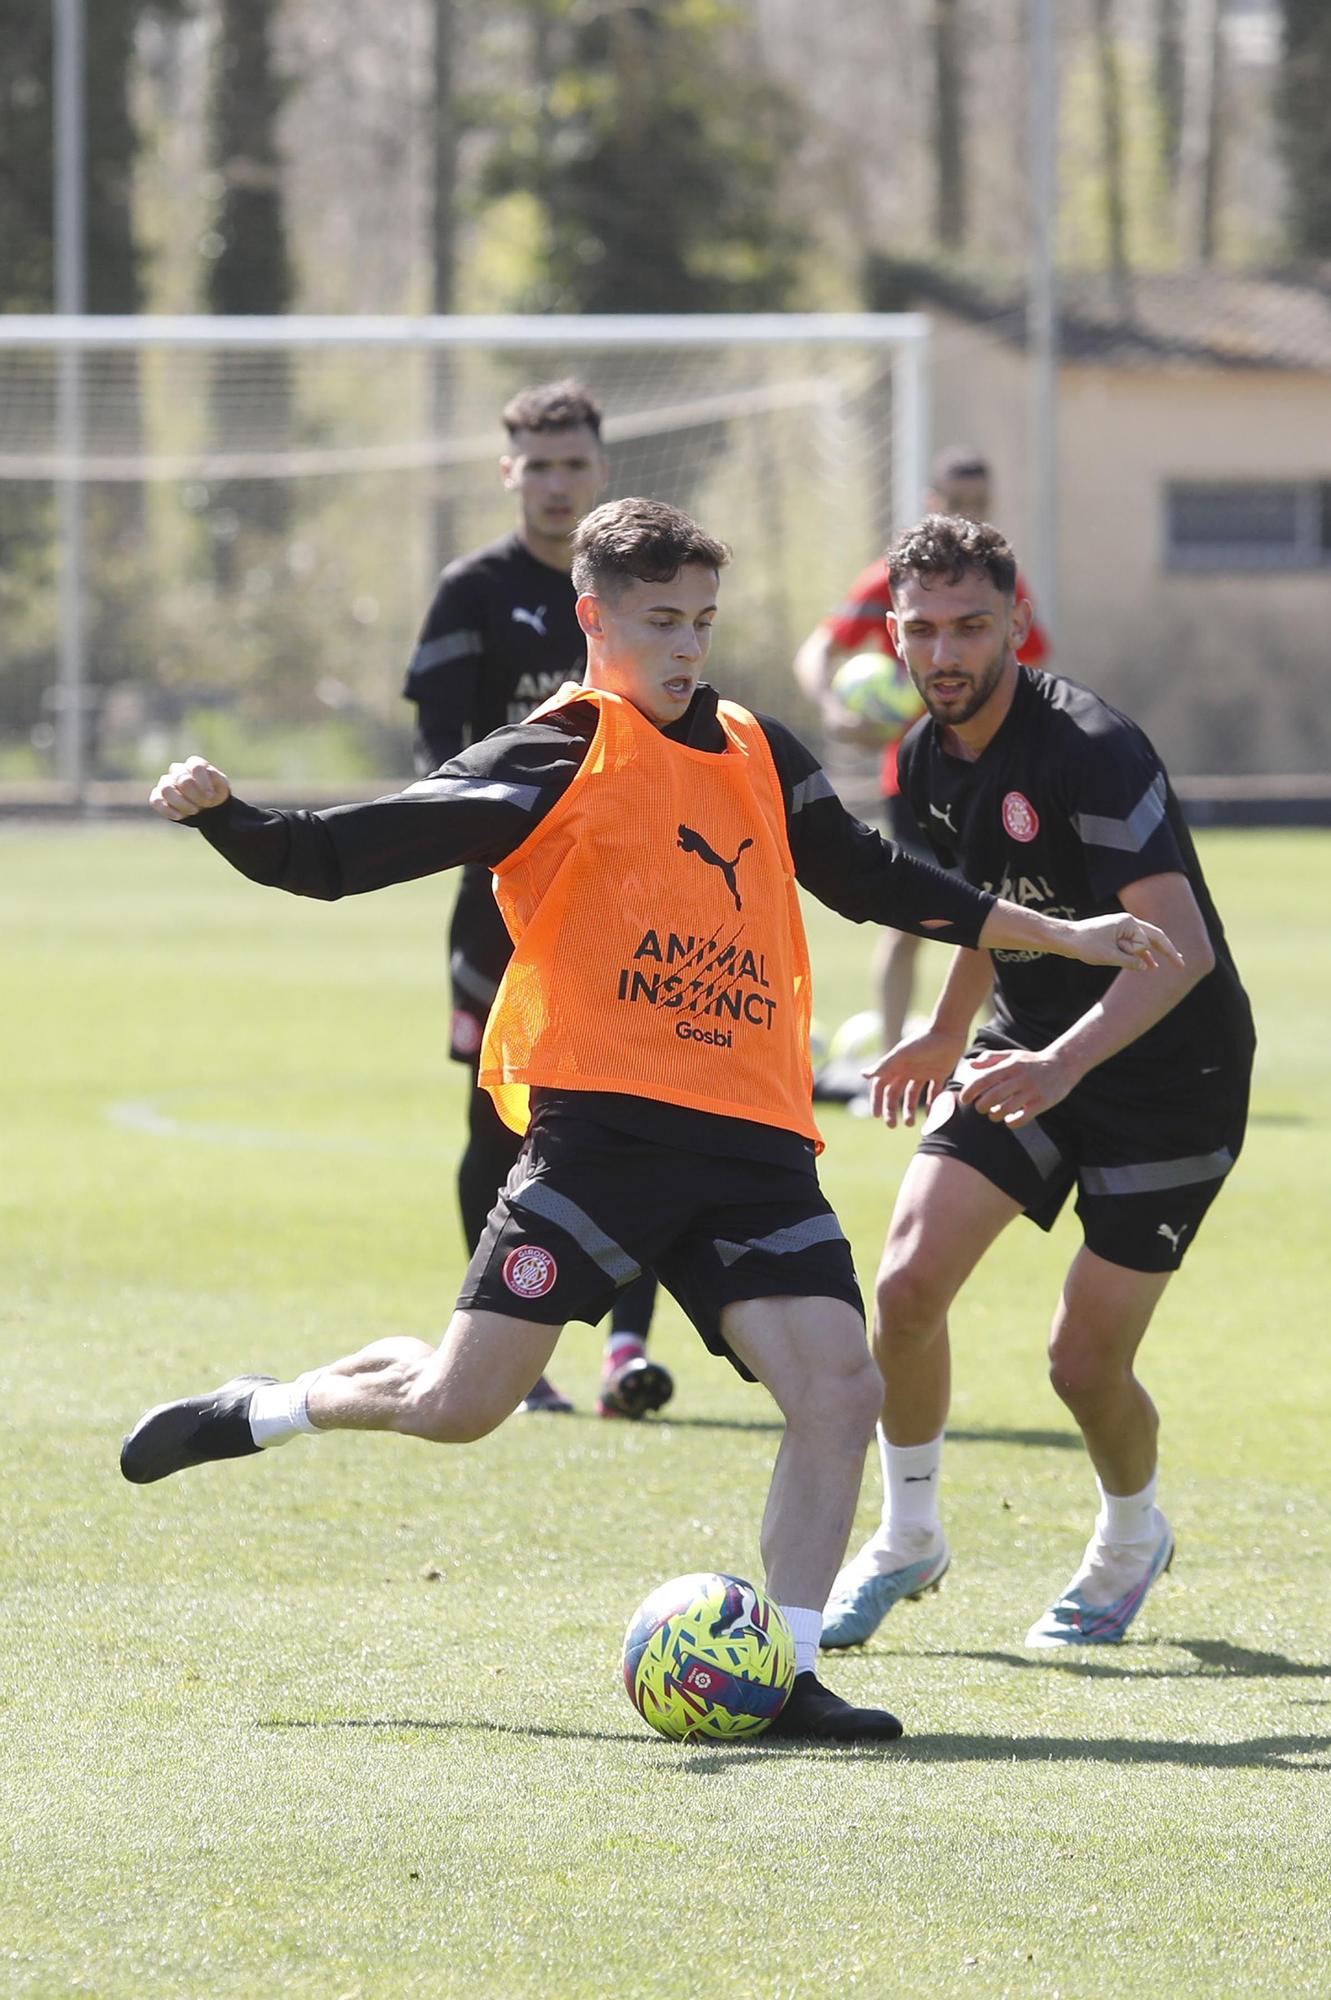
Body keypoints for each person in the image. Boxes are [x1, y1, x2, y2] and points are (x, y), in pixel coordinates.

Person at [120, 497, 1181, 1743]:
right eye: (660, 620)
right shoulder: (556, 750)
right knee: (462, 1407)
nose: (687, 646)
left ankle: (782, 1674)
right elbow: (360, 847)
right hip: (601, 1135)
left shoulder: (756, 748)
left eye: (703, 621)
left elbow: (870, 876)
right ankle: (276, 1402)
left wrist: (1057, 931)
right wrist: (229, 820)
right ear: (594, 619)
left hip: (750, 1140)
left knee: (838, 1387)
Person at [820, 512, 1255, 1652]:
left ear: (1015, 620)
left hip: (1168, 1074)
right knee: (905, 1289)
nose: (944, 652)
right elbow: (980, 912)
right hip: (1024, 1045)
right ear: (895, 637)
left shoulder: (1091, 748)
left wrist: (1061, 1063)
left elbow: (1180, 948)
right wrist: (938, 1031)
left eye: (970, 625)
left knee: (1080, 1362)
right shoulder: (922, 753)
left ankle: (1128, 1535)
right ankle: (907, 1530)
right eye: (921, 630)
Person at [403, 378, 667, 1420]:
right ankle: (519, 1364)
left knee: (644, 1117)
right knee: (498, 1125)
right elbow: (437, 747)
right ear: (509, 471)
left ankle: (626, 1350)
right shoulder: (472, 592)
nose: (558, 484)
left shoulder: (644, 583)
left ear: (602, 468)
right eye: (538, 464)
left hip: (629, 905)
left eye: (574, 463)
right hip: (502, 912)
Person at [793, 447, 1051, 1052]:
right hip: (914, 782)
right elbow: (818, 650)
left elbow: (1034, 673)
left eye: (980, 505)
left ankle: (1003, 1050)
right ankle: (890, 1056)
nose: (972, 515)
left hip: (993, 778)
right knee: (905, 923)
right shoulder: (891, 578)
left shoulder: (1002, 586)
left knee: (1001, 921)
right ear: (934, 504)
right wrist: (835, 710)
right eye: (959, 503)